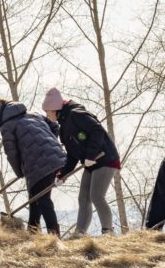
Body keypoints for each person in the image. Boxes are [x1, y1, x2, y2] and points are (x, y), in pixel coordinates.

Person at [43, 88, 121, 236]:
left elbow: (97, 130)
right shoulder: (64, 127)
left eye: (48, 112)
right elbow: (72, 155)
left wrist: (91, 155)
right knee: (83, 198)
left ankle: (108, 231)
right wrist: (62, 175)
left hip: (105, 158)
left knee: (96, 195)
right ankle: (80, 233)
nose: (47, 115)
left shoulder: (76, 114)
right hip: (91, 162)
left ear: (55, 109)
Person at [0, 99, 67, 236]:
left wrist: (19, 172)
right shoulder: (34, 115)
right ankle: (32, 232)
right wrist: (50, 144)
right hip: (58, 157)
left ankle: (54, 236)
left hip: (37, 163)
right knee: (35, 196)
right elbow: (55, 127)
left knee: (42, 198)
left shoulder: (7, 126)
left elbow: (11, 153)